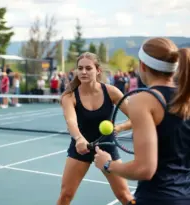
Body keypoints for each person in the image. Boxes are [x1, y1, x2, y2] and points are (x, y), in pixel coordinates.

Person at [94, 37, 190, 205]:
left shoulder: (143, 100)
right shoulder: (186, 98)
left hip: (157, 199)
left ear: (143, 66)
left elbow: (145, 169)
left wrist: (108, 164)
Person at [57, 52, 134, 205]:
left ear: (98, 70)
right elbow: (71, 121)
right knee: (66, 195)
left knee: (124, 196)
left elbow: (136, 118)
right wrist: (79, 139)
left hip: (107, 147)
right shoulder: (69, 96)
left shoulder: (112, 92)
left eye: (88, 68)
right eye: (80, 68)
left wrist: (119, 127)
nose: (83, 72)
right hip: (80, 148)